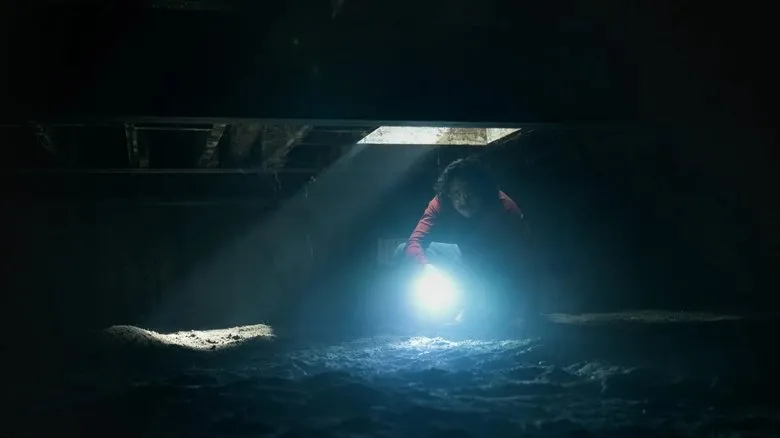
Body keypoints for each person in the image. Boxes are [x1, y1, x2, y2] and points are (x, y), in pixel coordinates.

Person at [394, 156, 537, 326]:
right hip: (462, 256)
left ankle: (478, 307)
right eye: (456, 194)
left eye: (470, 193)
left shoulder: (504, 208)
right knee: (402, 249)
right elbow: (414, 242)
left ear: (483, 192)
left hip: (498, 263)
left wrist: (523, 311)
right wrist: (426, 268)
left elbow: (524, 259)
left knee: (491, 314)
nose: (463, 201)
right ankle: (405, 314)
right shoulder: (440, 202)